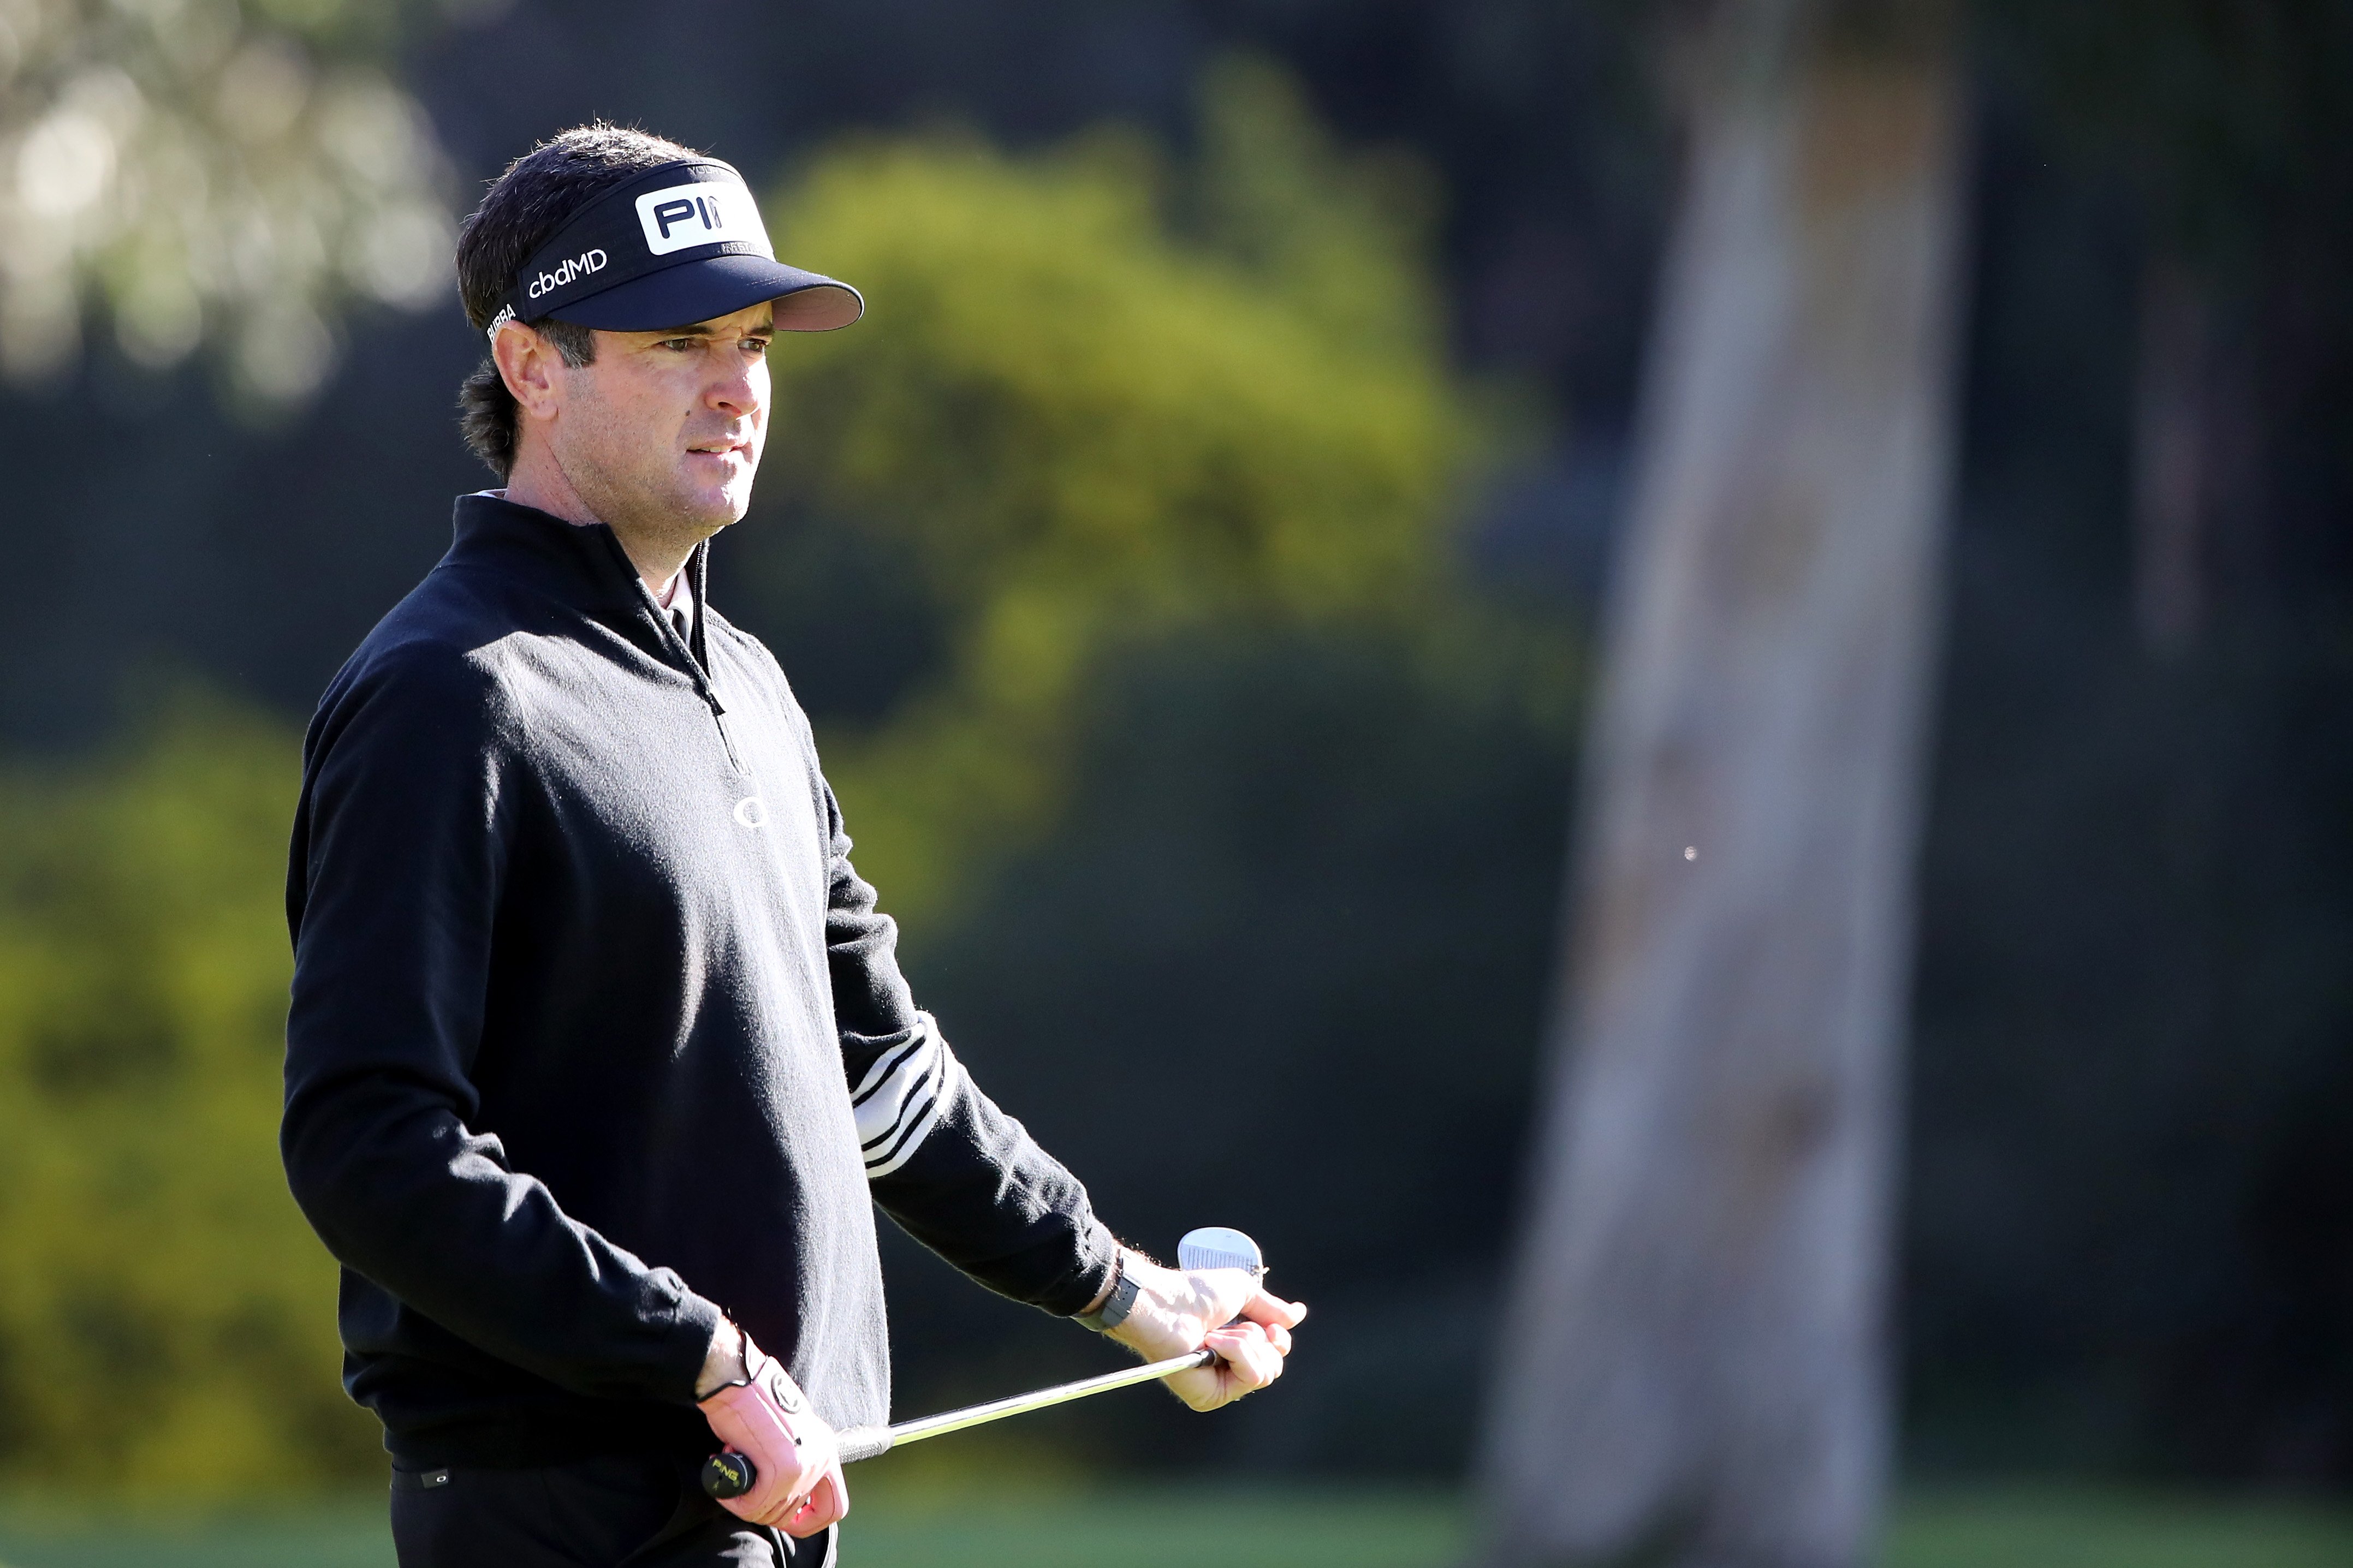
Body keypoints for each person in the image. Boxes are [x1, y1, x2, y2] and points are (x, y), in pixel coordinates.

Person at [281, 123, 1306, 1568]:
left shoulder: (745, 684)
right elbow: (368, 1142)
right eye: (677, 339)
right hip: (565, 1515)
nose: (736, 387)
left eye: (755, 342)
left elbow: (882, 1076)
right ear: (532, 368)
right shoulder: (452, 696)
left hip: (760, 1506)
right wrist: (697, 1356)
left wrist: (1132, 1293)